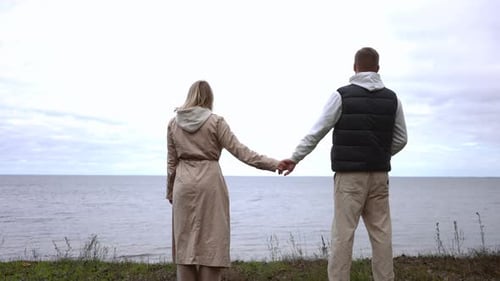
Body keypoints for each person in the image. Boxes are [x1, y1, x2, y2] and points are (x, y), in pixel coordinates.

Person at [279, 47, 407, 281]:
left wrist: (295, 157)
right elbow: (401, 139)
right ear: (378, 69)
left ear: (354, 67)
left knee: (343, 235)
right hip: (379, 176)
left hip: (349, 178)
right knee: (382, 235)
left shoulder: (342, 95)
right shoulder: (393, 99)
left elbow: (318, 131)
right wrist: (381, 154)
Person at [166, 80, 280, 281]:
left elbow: (171, 164)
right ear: (209, 98)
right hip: (210, 183)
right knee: (213, 242)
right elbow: (241, 152)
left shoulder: (173, 124)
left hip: (182, 184)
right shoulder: (215, 122)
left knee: (185, 243)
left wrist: (170, 191)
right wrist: (274, 164)